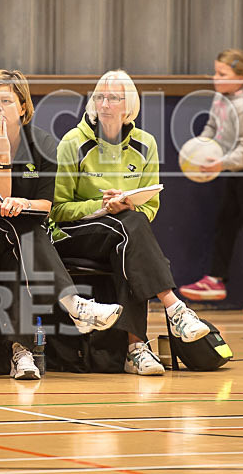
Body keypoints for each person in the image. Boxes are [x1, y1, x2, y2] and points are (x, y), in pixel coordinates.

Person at [0, 69, 122, 380]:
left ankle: (23, 352)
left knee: (26, 233)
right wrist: (3, 154)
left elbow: (45, 206)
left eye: (5, 100)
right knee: (15, 232)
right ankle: (73, 306)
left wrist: (24, 204)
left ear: (22, 106)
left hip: (22, 234)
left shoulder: (44, 143)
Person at [51, 70, 210, 376]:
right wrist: (100, 206)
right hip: (76, 231)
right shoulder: (73, 142)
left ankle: (135, 350)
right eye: (100, 97)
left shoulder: (145, 144)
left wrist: (123, 205)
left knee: (130, 235)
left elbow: (150, 206)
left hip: (121, 231)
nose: (105, 103)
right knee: (131, 228)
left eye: (114, 98)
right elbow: (57, 209)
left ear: (129, 106)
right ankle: (171, 312)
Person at [180, 49, 243, 314]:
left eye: (222, 74)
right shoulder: (221, 98)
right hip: (237, 173)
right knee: (226, 224)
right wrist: (199, 148)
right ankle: (215, 280)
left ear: (241, 78)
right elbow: (212, 129)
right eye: (215, 72)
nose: (215, 78)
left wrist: (220, 163)